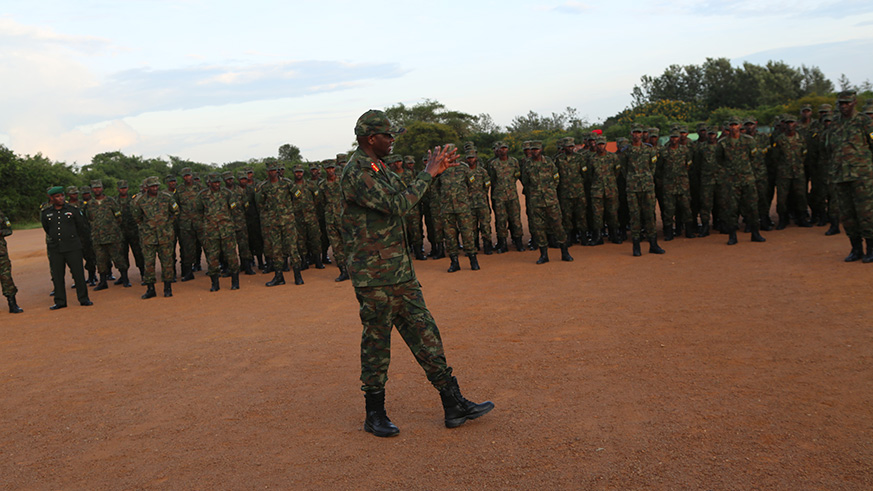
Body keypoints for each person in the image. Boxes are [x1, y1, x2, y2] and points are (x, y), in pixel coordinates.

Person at [340, 109, 493, 437]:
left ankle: (453, 403)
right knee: (378, 342)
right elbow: (397, 205)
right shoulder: (356, 172)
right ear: (370, 138)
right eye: (387, 135)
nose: (392, 139)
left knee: (425, 332)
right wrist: (429, 173)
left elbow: (405, 192)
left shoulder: (378, 167)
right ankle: (375, 413)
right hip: (374, 275)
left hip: (398, 270)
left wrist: (431, 170)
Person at [827, 91, 873, 262]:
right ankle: (856, 248)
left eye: (846, 103)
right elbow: (829, 148)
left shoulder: (864, 121)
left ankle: (871, 248)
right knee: (847, 214)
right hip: (840, 176)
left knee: (866, 213)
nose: (843, 106)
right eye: (841, 103)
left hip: (862, 176)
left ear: (855, 102)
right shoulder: (835, 123)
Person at [42, 186, 93, 309]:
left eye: (62, 196)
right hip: (56, 248)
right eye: (57, 197)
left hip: (73, 247)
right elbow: (47, 228)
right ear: (51, 198)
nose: (61, 198)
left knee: (78, 274)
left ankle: (84, 299)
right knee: (58, 276)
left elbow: (81, 227)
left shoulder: (73, 210)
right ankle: (60, 301)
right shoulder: (46, 212)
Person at [133, 176, 179, 298]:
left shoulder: (167, 197)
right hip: (149, 237)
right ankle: (150, 289)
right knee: (149, 263)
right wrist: (147, 227)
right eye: (152, 186)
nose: (155, 188)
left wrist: (167, 224)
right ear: (147, 187)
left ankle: (167, 288)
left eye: (156, 186)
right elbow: (137, 217)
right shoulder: (140, 200)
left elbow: (175, 212)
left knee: (167, 262)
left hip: (165, 236)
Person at [83, 180, 130, 289]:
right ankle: (103, 282)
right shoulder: (89, 204)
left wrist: (112, 227)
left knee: (119, 258)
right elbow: (87, 219)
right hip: (98, 237)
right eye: (94, 188)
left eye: (98, 187)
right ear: (92, 190)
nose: (97, 190)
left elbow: (119, 217)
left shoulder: (111, 201)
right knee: (100, 260)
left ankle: (125, 279)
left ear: (102, 188)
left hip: (113, 236)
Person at [197, 174, 241, 291]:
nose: (217, 184)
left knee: (231, 256)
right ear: (209, 183)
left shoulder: (227, 193)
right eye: (214, 182)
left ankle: (235, 281)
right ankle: (215, 283)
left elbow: (234, 209)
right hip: (211, 232)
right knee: (212, 258)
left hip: (227, 230)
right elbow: (198, 212)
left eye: (218, 182)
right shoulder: (202, 195)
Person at [0, 209, 23, 313]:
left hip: (1, 253)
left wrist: (0, 232)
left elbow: (9, 230)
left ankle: (12, 304)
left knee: (6, 277)